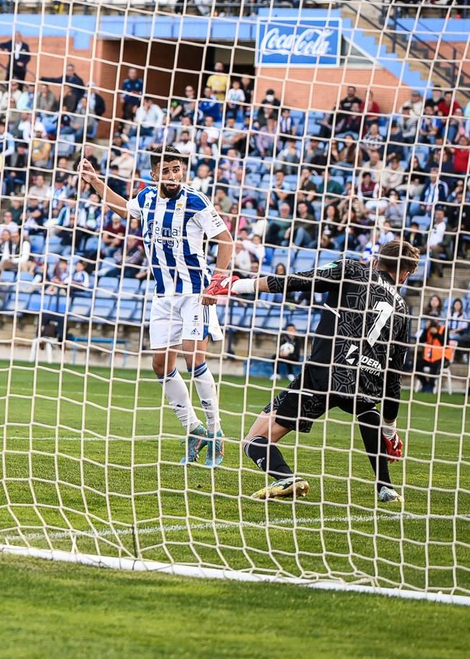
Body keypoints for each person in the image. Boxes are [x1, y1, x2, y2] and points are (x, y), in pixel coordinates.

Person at [210, 240, 419, 507]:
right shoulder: (402, 310)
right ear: (405, 274)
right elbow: (393, 378)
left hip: (324, 372)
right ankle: (386, 487)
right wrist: (390, 431)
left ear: (376, 262)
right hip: (365, 381)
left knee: (254, 440)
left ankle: (286, 477)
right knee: (367, 408)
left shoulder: (354, 271)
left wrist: (237, 286)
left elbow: (299, 280)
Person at [79, 147, 234, 465]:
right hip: (163, 296)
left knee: (194, 358)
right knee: (160, 366)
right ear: (154, 174)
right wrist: (95, 181)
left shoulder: (196, 201)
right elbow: (124, 209)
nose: (173, 175)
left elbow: (226, 240)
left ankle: (217, 434)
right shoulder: (147, 198)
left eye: (177, 169)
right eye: (166, 170)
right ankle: (195, 430)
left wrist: (216, 283)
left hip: (195, 293)